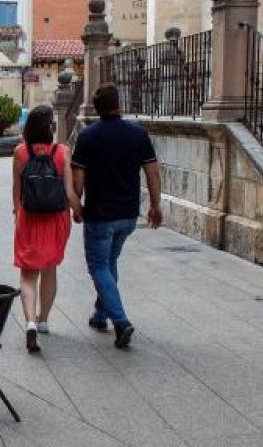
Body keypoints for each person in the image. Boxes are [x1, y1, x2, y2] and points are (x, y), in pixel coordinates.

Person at [69, 85, 162, 349]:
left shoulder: (87, 136)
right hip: (128, 215)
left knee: (99, 266)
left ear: (96, 108)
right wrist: (156, 205)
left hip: (100, 214)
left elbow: (78, 179)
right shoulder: (137, 133)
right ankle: (100, 314)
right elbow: (152, 173)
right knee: (109, 263)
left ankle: (120, 321)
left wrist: (77, 205)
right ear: (118, 104)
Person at [12, 105, 73, 353]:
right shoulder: (62, 152)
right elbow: (69, 193)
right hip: (56, 220)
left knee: (28, 275)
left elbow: (16, 191)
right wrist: (78, 211)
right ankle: (43, 320)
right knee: (49, 271)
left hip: (29, 218)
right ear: (50, 127)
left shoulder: (20, 152)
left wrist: (18, 215)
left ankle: (29, 322)